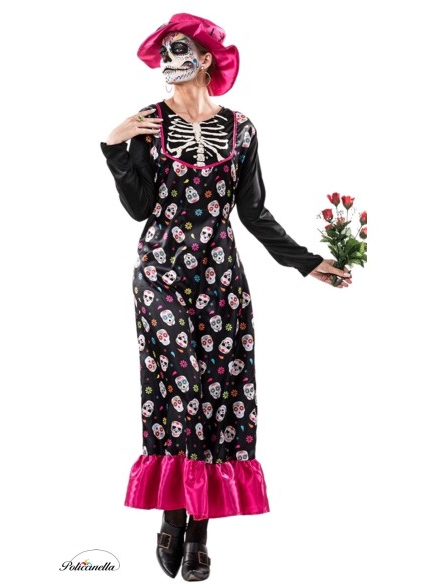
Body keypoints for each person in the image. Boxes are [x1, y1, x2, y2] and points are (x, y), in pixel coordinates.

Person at [100, 13, 352, 581]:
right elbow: (139, 208)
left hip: (220, 277)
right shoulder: (147, 124)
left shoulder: (241, 129)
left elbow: (253, 212)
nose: (169, 59)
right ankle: (173, 514)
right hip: (161, 269)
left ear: (207, 58)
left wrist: (307, 262)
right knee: (181, 381)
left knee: (221, 391)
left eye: (180, 49)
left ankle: (196, 530)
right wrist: (116, 147)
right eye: (164, 51)